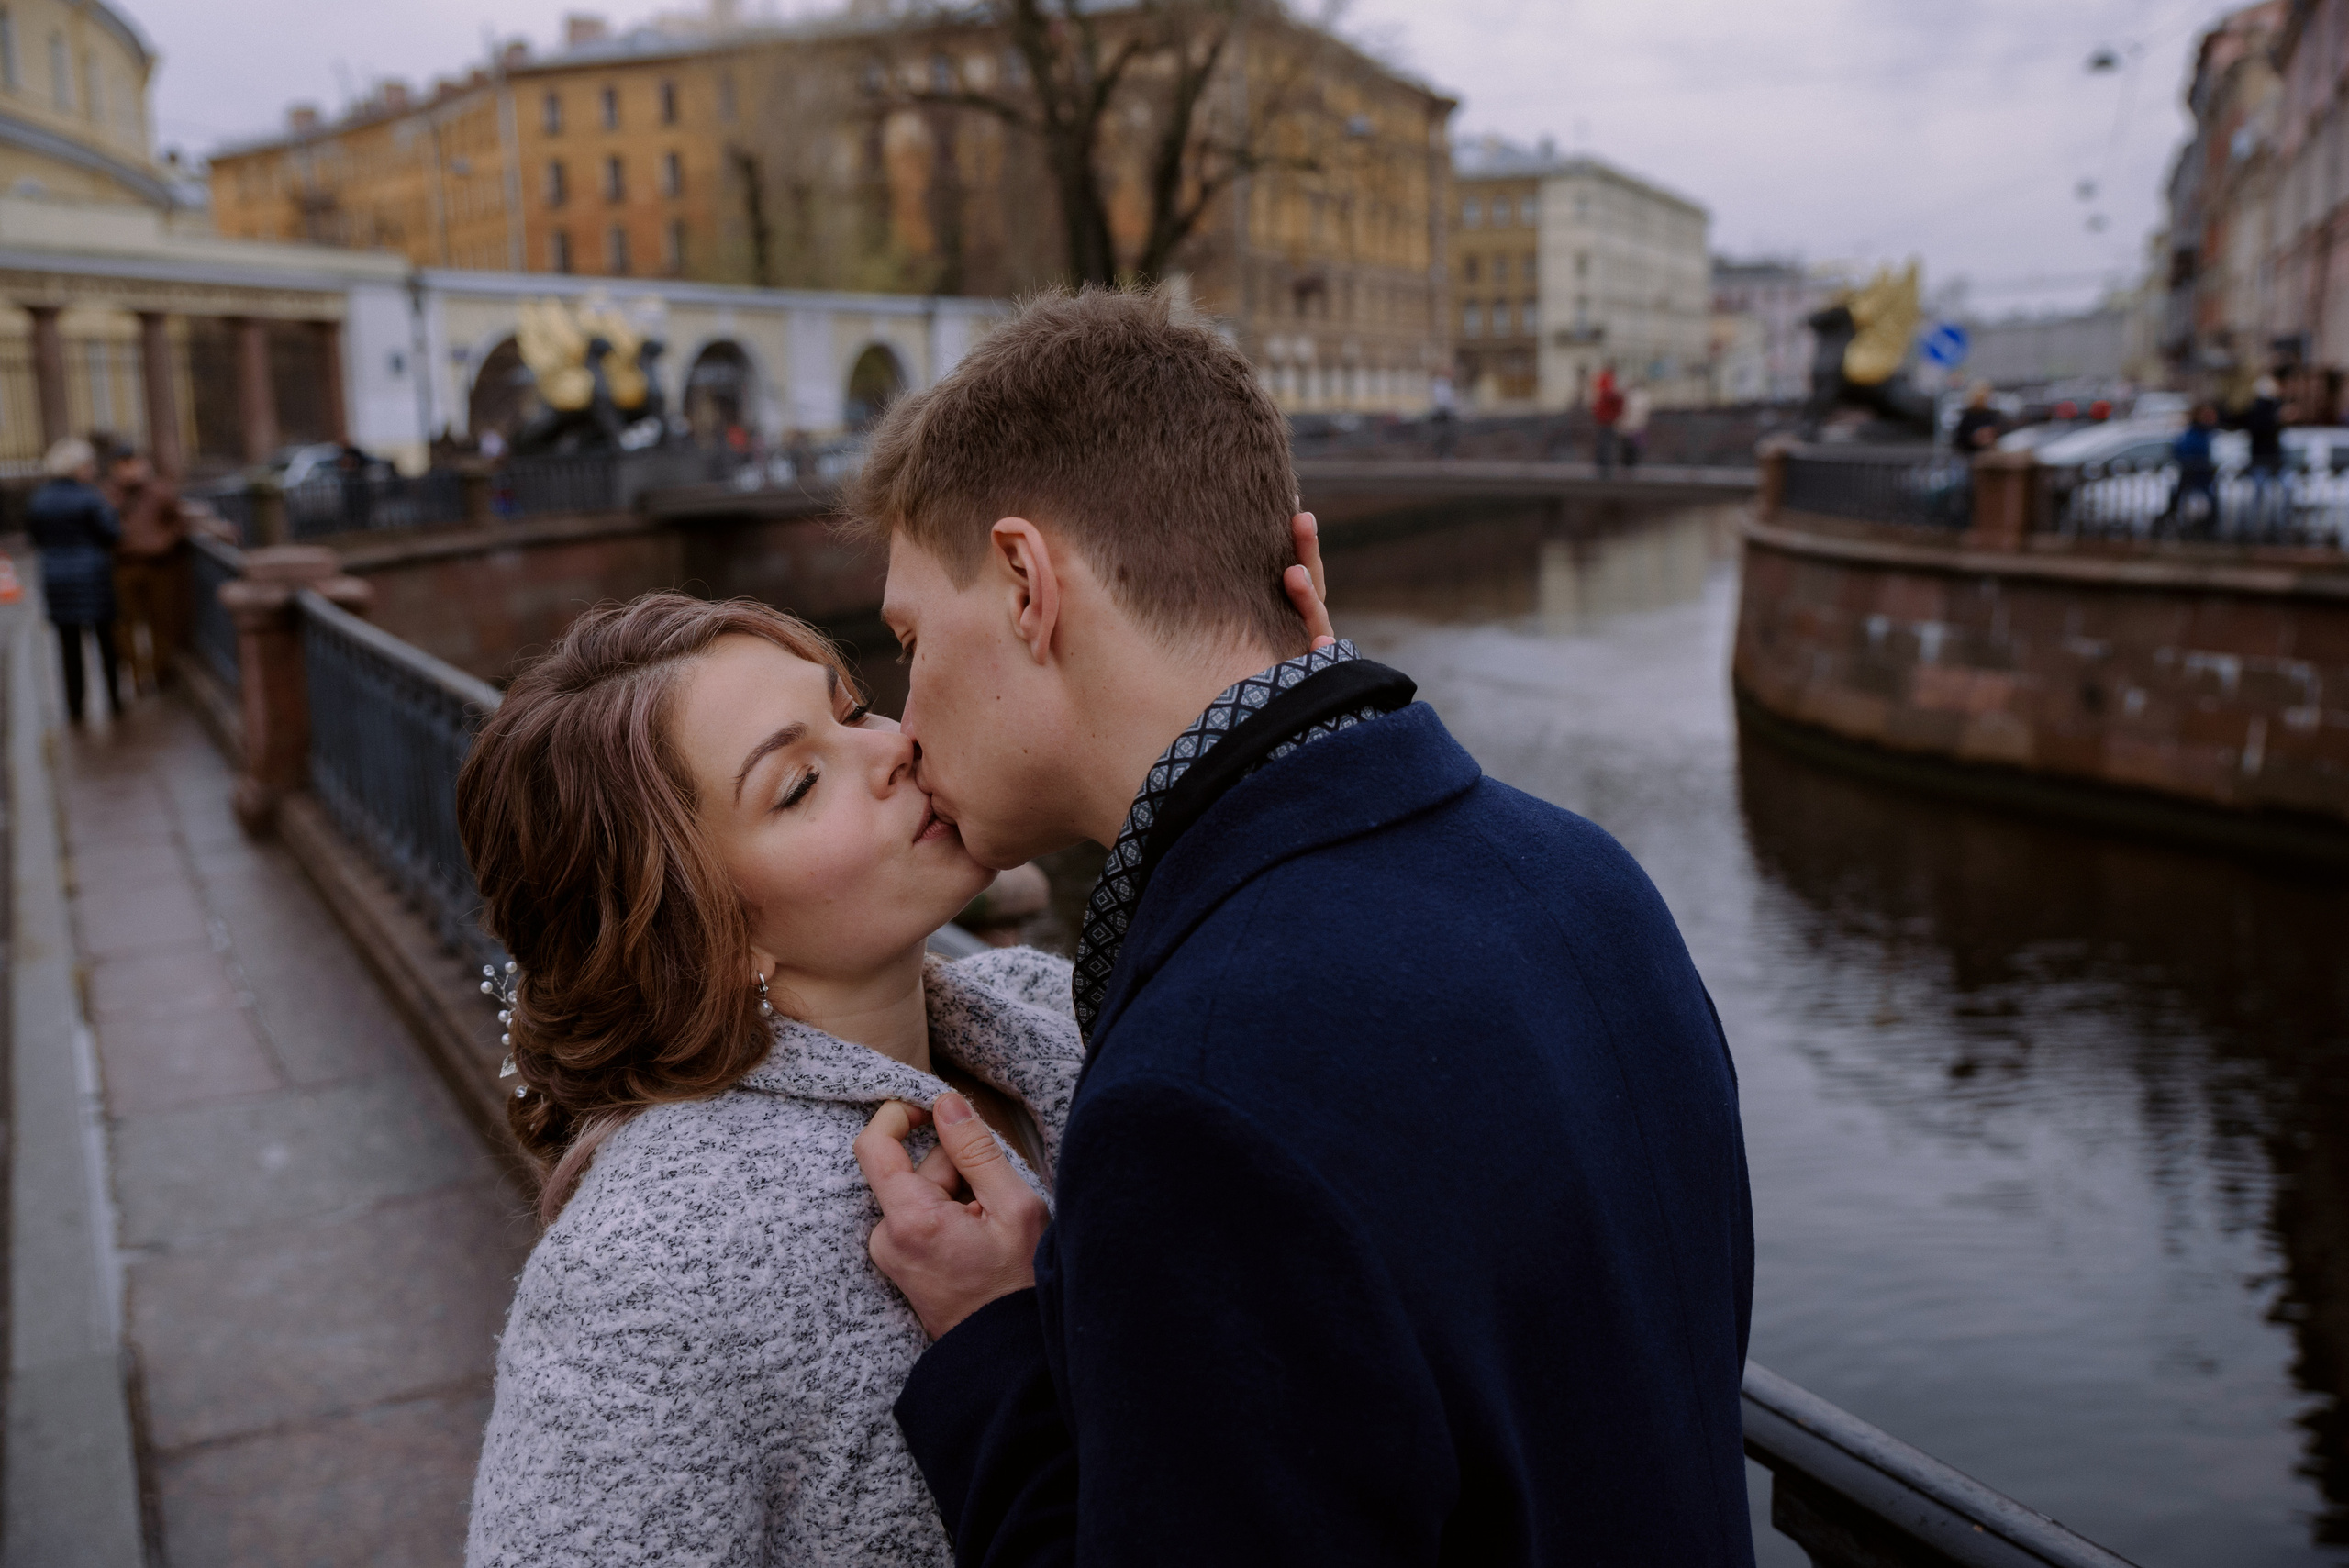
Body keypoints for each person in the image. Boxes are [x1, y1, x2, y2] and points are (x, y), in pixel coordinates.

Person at [854, 286, 1755, 1566]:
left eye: (906, 639)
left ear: (1022, 583)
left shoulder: (1202, 1094)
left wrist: (999, 1348)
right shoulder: (1588, 879)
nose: (902, 722)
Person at [458, 564, 1341, 1562]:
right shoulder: (646, 1262)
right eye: (798, 783)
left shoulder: (1045, 1005)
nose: (890, 750)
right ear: (700, 931)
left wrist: (1294, 748)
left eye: (856, 710)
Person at [27, 437, 123, 724]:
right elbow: (110, 533)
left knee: (69, 647)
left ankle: (75, 707)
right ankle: (114, 701)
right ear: (78, 467)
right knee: (105, 642)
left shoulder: (40, 499)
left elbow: (36, 537)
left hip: (56, 578)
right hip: (93, 575)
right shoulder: (89, 497)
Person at [103, 445, 189, 695]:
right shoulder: (109, 495)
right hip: (124, 566)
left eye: (133, 463)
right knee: (125, 625)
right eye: (123, 465)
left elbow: (179, 522)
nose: (129, 470)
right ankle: (138, 675)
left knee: (161, 620)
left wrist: (163, 543)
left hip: (158, 566)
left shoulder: (159, 491)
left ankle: (160, 671)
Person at [2161, 402, 2221, 536]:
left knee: (2207, 505)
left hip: (2202, 477)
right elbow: (2181, 453)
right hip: (2193, 475)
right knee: (2184, 504)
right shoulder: (2193, 435)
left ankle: (2204, 531)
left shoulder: (2209, 434)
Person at [2242, 374, 2287, 531]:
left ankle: (2272, 526)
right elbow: (2260, 430)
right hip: (2262, 459)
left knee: (2270, 494)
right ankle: (2258, 528)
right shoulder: (2263, 410)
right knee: (2259, 495)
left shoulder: (2272, 408)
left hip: (2269, 458)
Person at [1591, 361, 1624, 473]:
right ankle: (1604, 463)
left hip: (1606, 418)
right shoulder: (1606, 380)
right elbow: (1607, 395)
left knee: (1606, 440)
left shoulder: (1607, 380)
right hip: (1606, 418)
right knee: (1605, 441)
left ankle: (1604, 463)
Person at [1954, 382, 2002, 453]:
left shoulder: (1992, 415)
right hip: (1972, 453)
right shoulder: (1967, 417)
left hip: (1991, 451)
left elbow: (2001, 433)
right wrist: (1974, 438)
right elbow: (1959, 441)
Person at [1620, 379, 1653, 469]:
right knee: (1634, 447)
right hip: (1636, 425)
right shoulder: (1642, 396)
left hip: (1630, 425)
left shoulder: (1631, 396)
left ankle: (1629, 465)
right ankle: (1632, 465)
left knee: (1629, 446)